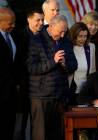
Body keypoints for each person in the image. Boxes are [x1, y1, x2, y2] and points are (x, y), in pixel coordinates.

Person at [27, 15, 77, 140]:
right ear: (51, 26)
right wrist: (53, 61)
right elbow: (32, 68)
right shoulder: (36, 40)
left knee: (58, 135)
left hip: (60, 96)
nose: (62, 35)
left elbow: (73, 65)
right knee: (41, 135)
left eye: (65, 31)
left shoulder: (66, 41)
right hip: (41, 96)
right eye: (60, 31)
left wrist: (65, 64)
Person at [17, 6, 44, 140]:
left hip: (41, 86)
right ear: (29, 19)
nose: (40, 23)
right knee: (22, 122)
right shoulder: (20, 36)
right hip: (25, 84)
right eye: (37, 20)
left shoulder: (45, 35)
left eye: (42, 20)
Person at [0, 7, 19, 140]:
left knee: (9, 129)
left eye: (14, 22)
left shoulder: (14, 36)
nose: (13, 25)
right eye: (10, 23)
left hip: (11, 94)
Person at [68, 22, 96, 105]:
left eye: (85, 36)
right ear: (74, 35)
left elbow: (92, 70)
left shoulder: (91, 47)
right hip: (70, 89)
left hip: (85, 91)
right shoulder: (68, 47)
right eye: (80, 36)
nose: (83, 39)